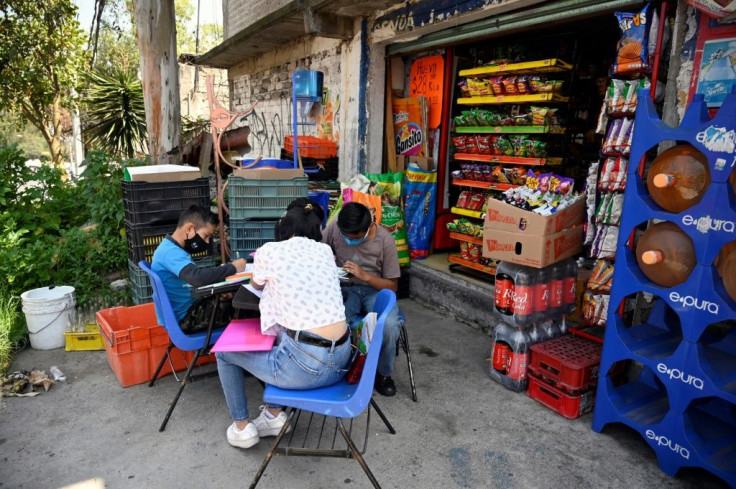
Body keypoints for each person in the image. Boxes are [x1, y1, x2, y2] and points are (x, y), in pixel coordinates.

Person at [215, 202, 351, 449]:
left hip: (306, 369)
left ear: (283, 226)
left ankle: (242, 428)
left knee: (224, 352)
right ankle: (273, 415)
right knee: (284, 334)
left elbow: (256, 286)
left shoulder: (269, 251)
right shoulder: (324, 251)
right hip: (342, 361)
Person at [322, 202, 405, 397]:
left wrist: (365, 276)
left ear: (367, 228)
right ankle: (336, 369)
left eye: (354, 237)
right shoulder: (336, 226)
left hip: (374, 290)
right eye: (345, 236)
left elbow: (392, 286)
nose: (348, 239)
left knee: (389, 325)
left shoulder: (385, 240)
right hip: (344, 288)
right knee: (330, 320)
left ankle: (383, 374)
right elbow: (318, 249)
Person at [151, 205, 246, 329]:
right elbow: (198, 278)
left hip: (192, 308)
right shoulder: (169, 252)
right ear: (189, 229)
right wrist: (233, 267)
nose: (207, 242)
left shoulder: (173, 249)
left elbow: (194, 281)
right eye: (206, 235)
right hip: (187, 317)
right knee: (248, 307)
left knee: (238, 302)